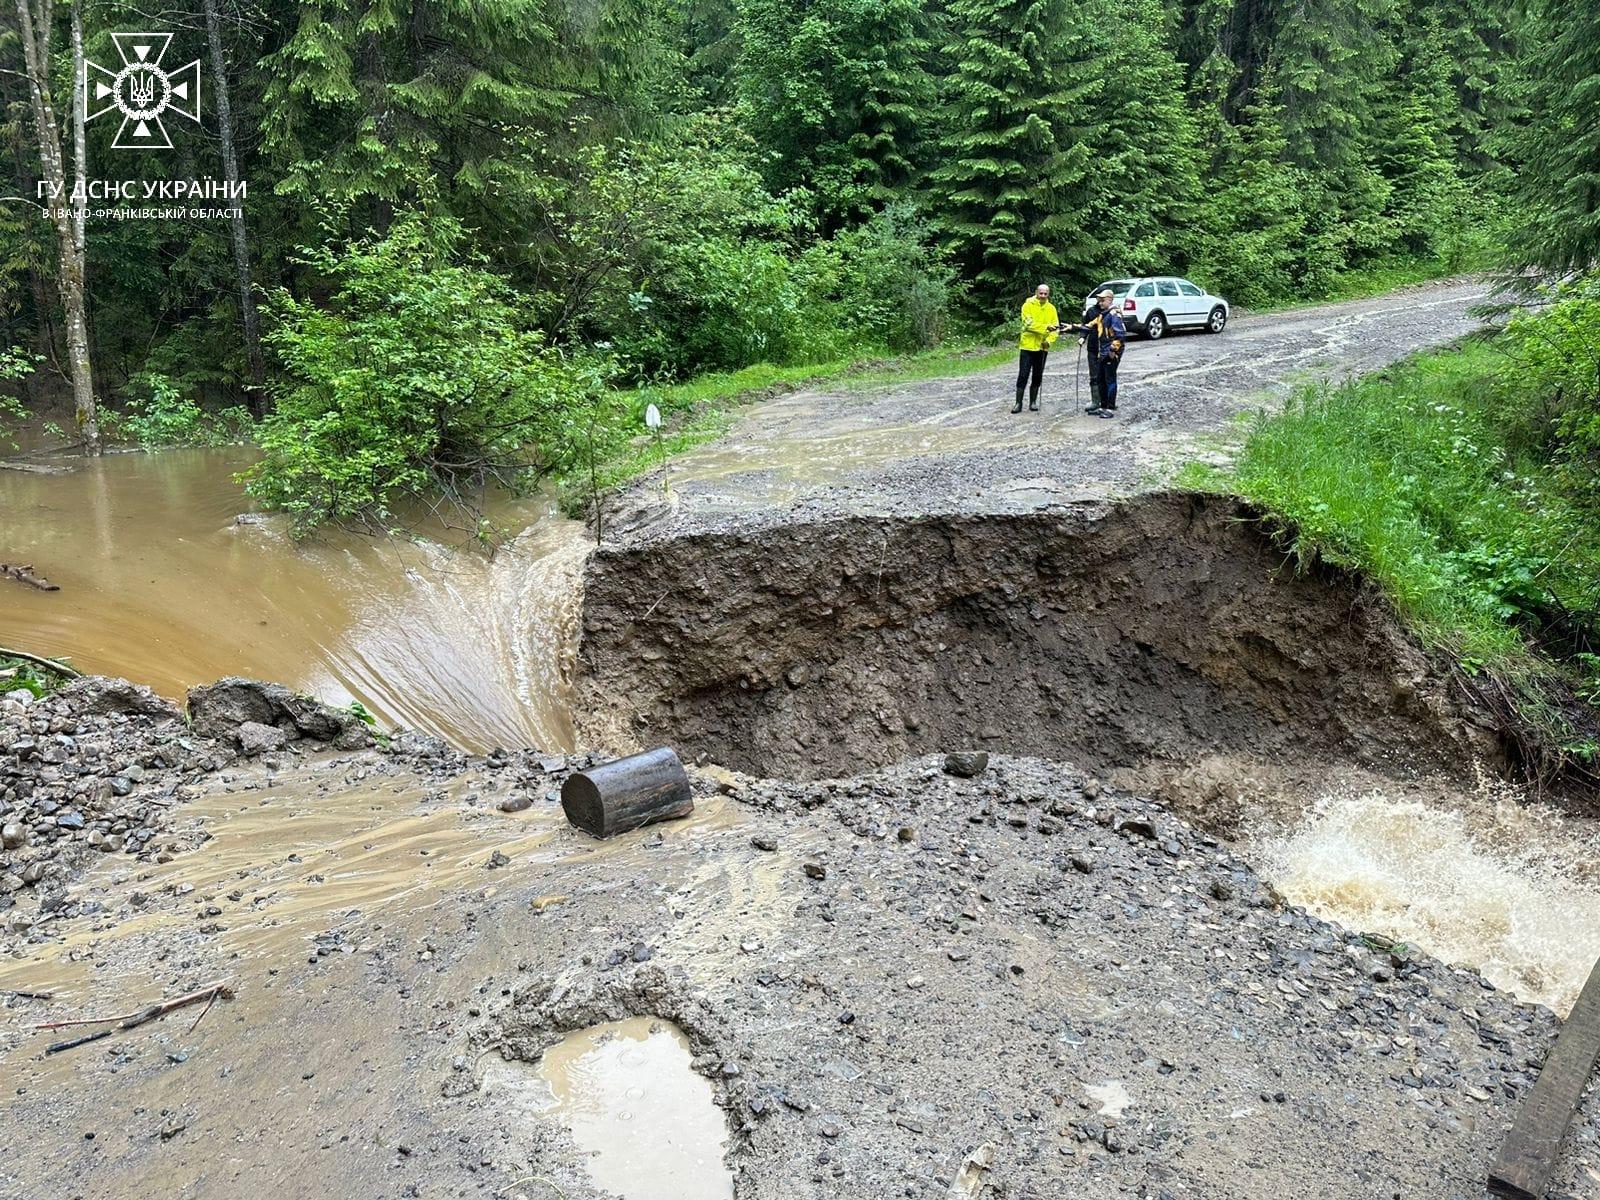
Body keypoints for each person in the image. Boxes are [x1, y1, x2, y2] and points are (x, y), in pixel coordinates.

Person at [1068, 288, 1126, 417]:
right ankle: (1102, 406)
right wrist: (1071, 327)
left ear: (1109, 300)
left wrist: (1113, 350)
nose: (1100, 303)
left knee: (1110, 380)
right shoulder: (1102, 315)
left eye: (1102, 300)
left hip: (1111, 352)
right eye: (1099, 300)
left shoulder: (1114, 314)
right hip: (1102, 352)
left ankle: (1110, 409)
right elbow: (1088, 325)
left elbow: (1120, 335)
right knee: (1100, 379)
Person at [1014, 284, 1059, 413]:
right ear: (1036, 293)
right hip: (1027, 347)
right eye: (1041, 293)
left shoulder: (1051, 309)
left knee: (1037, 375)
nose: (1043, 296)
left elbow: (1055, 329)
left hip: (1042, 348)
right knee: (1023, 375)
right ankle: (1018, 403)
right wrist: (1046, 328)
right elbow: (1028, 325)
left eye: (1045, 294)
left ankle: (1033, 402)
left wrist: (1049, 341)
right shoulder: (1027, 305)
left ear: (1048, 294)